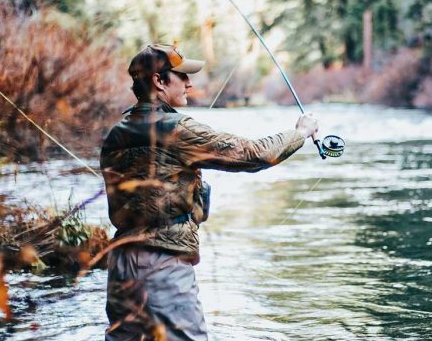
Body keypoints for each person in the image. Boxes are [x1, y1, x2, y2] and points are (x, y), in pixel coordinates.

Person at [100, 43, 318, 340]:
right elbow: (254, 155)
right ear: (158, 81)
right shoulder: (176, 129)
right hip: (162, 265)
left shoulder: (116, 133)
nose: (189, 83)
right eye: (181, 76)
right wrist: (300, 133)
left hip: (121, 265)